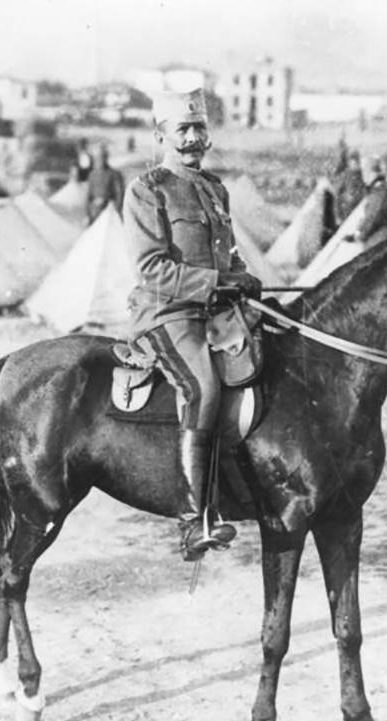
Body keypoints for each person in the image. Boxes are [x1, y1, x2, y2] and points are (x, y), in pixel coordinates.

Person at [122, 89, 262, 561]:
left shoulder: (215, 188)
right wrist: (218, 281)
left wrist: (242, 276)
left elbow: (229, 252)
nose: (193, 137)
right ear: (160, 134)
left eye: (199, 127)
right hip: (167, 313)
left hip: (215, 312)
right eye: (182, 129)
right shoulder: (147, 189)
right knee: (202, 385)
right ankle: (193, 517)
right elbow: (152, 269)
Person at [352, 157, 387, 247]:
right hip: (381, 242)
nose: (364, 177)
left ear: (373, 173)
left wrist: (360, 234)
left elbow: (372, 217)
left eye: (365, 172)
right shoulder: (381, 190)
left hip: (378, 244)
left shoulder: (380, 192)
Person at [85, 144, 125, 223]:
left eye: (102, 157)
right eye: (97, 158)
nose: (99, 160)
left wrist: (116, 210)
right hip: (95, 212)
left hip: (109, 211)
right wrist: (88, 213)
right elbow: (88, 196)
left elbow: (119, 194)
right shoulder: (92, 175)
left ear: (106, 158)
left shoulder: (114, 174)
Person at [333, 150, 366, 225]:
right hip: (346, 212)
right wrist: (338, 215)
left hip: (359, 210)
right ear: (350, 163)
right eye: (354, 162)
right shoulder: (345, 175)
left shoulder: (363, 175)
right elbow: (337, 195)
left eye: (357, 161)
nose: (356, 164)